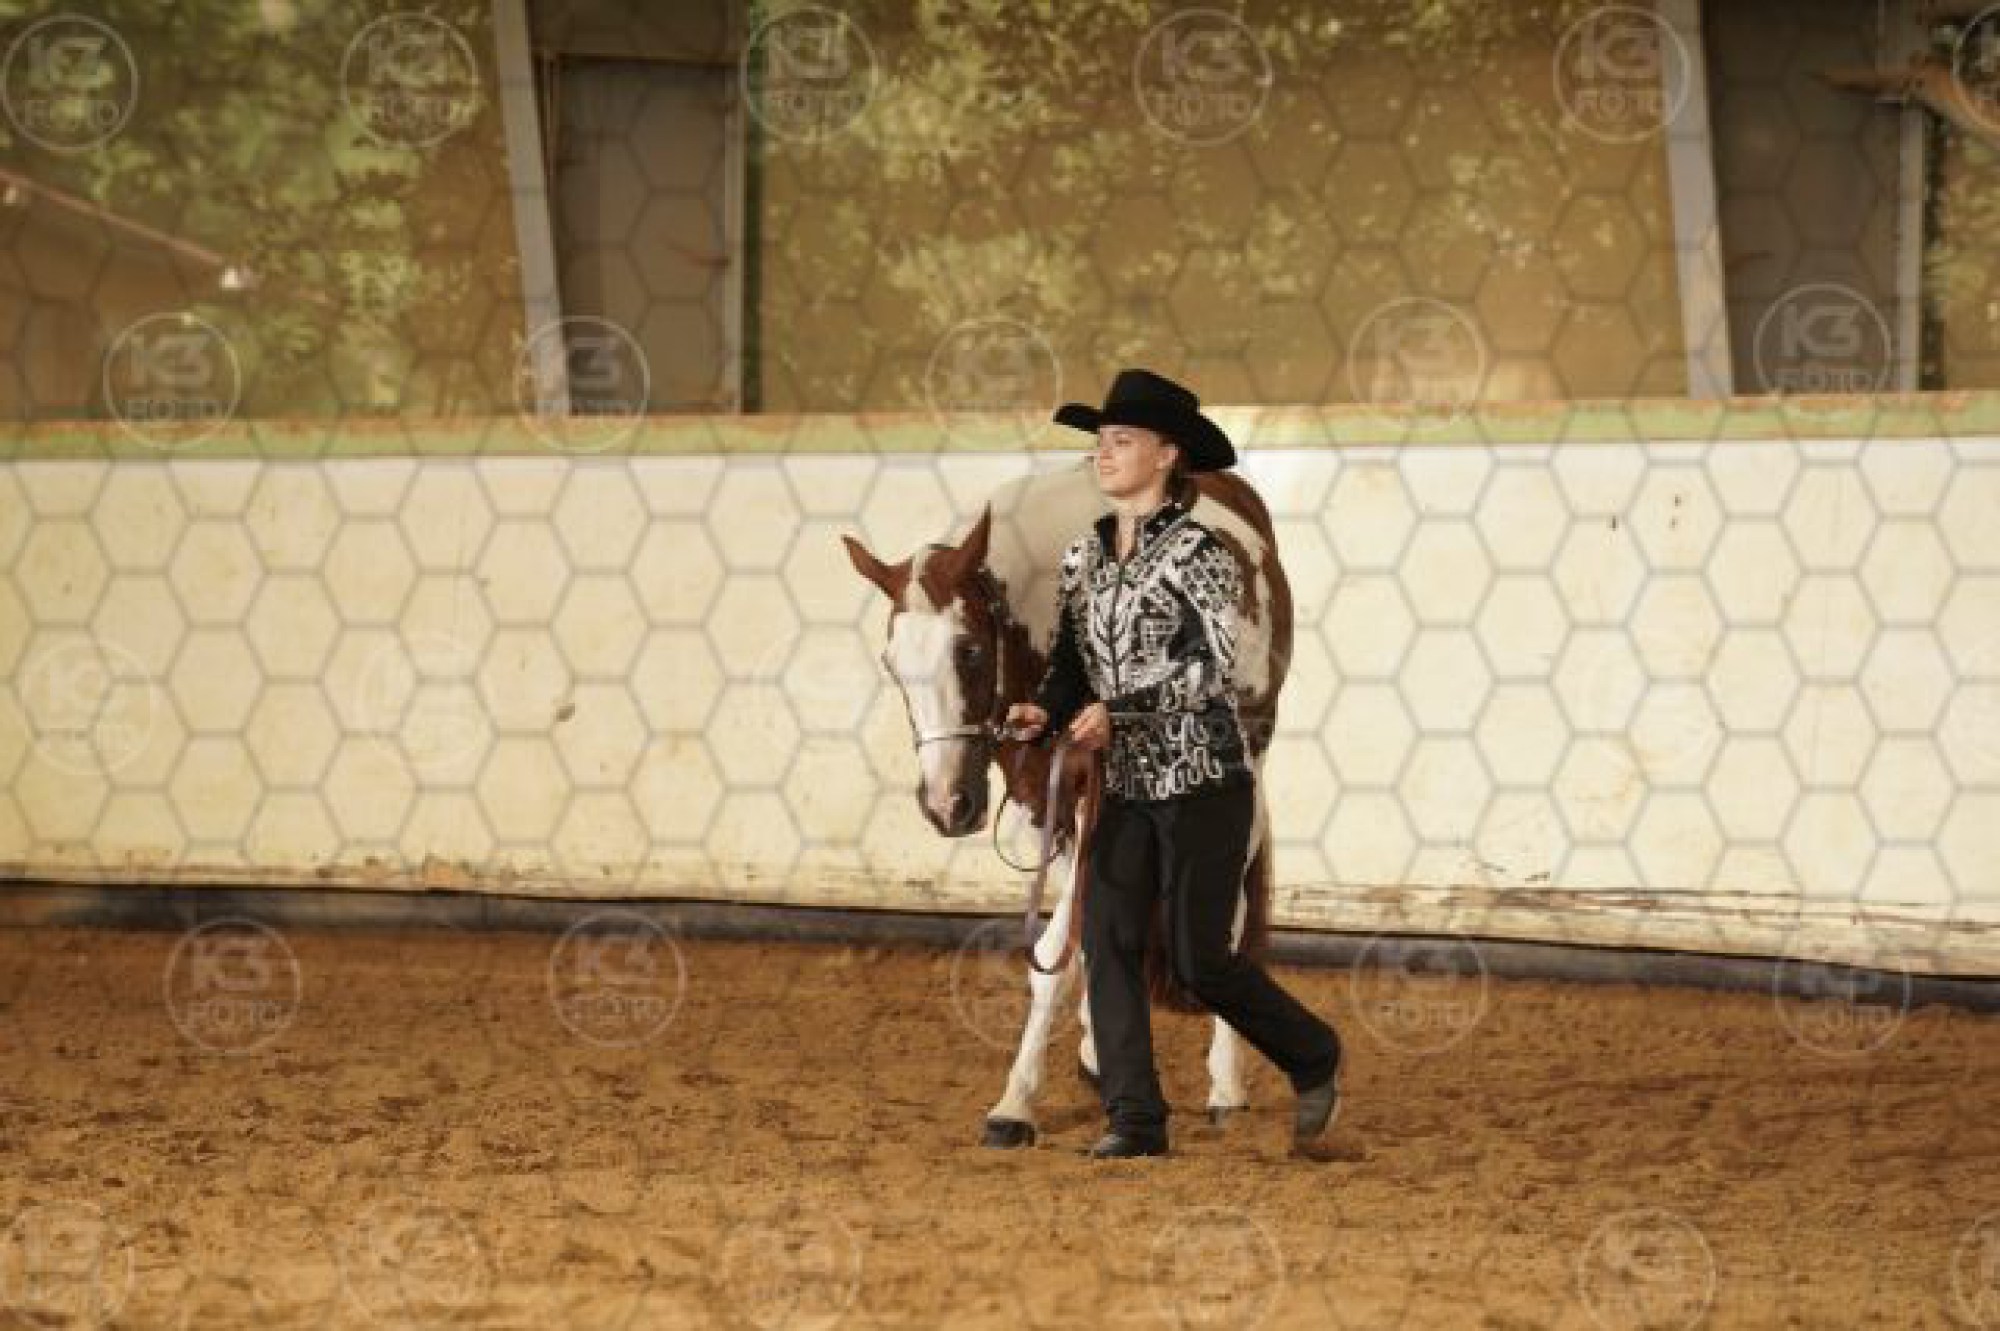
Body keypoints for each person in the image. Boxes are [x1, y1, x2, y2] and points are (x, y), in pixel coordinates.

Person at [1005, 368, 1343, 1160]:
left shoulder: (1203, 554)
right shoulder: (1085, 556)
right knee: (1108, 939)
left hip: (1204, 783)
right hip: (1125, 786)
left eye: (1122, 440)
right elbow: (1073, 663)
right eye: (1101, 441)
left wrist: (1117, 712)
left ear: (1166, 455)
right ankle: (1136, 1117)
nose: (1103, 453)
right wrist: (1045, 709)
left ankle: (1314, 1053)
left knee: (1200, 961)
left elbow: (1208, 668)